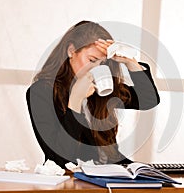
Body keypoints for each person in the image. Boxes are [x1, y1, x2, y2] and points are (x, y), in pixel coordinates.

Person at [26, 21, 160, 168]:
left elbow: (148, 99)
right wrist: (75, 100)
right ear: (71, 51)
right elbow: (58, 158)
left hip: (112, 175)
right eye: (92, 60)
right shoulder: (41, 92)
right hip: (71, 181)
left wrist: (130, 62)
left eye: (102, 63)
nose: (96, 68)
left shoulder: (101, 86)